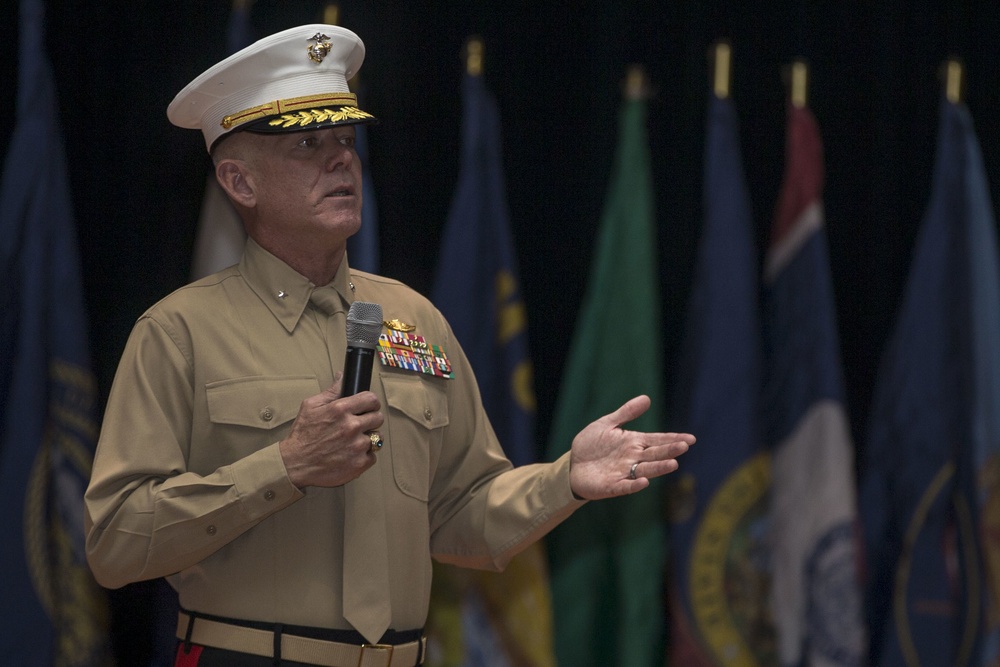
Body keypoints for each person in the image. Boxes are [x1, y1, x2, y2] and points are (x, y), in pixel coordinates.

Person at [84, 23, 695, 667]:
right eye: (309, 143)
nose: (342, 159)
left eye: (346, 139)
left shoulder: (413, 318)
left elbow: (460, 514)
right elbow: (115, 544)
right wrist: (284, 466)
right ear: (240, 183)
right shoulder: (178, 334)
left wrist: (565, 480)